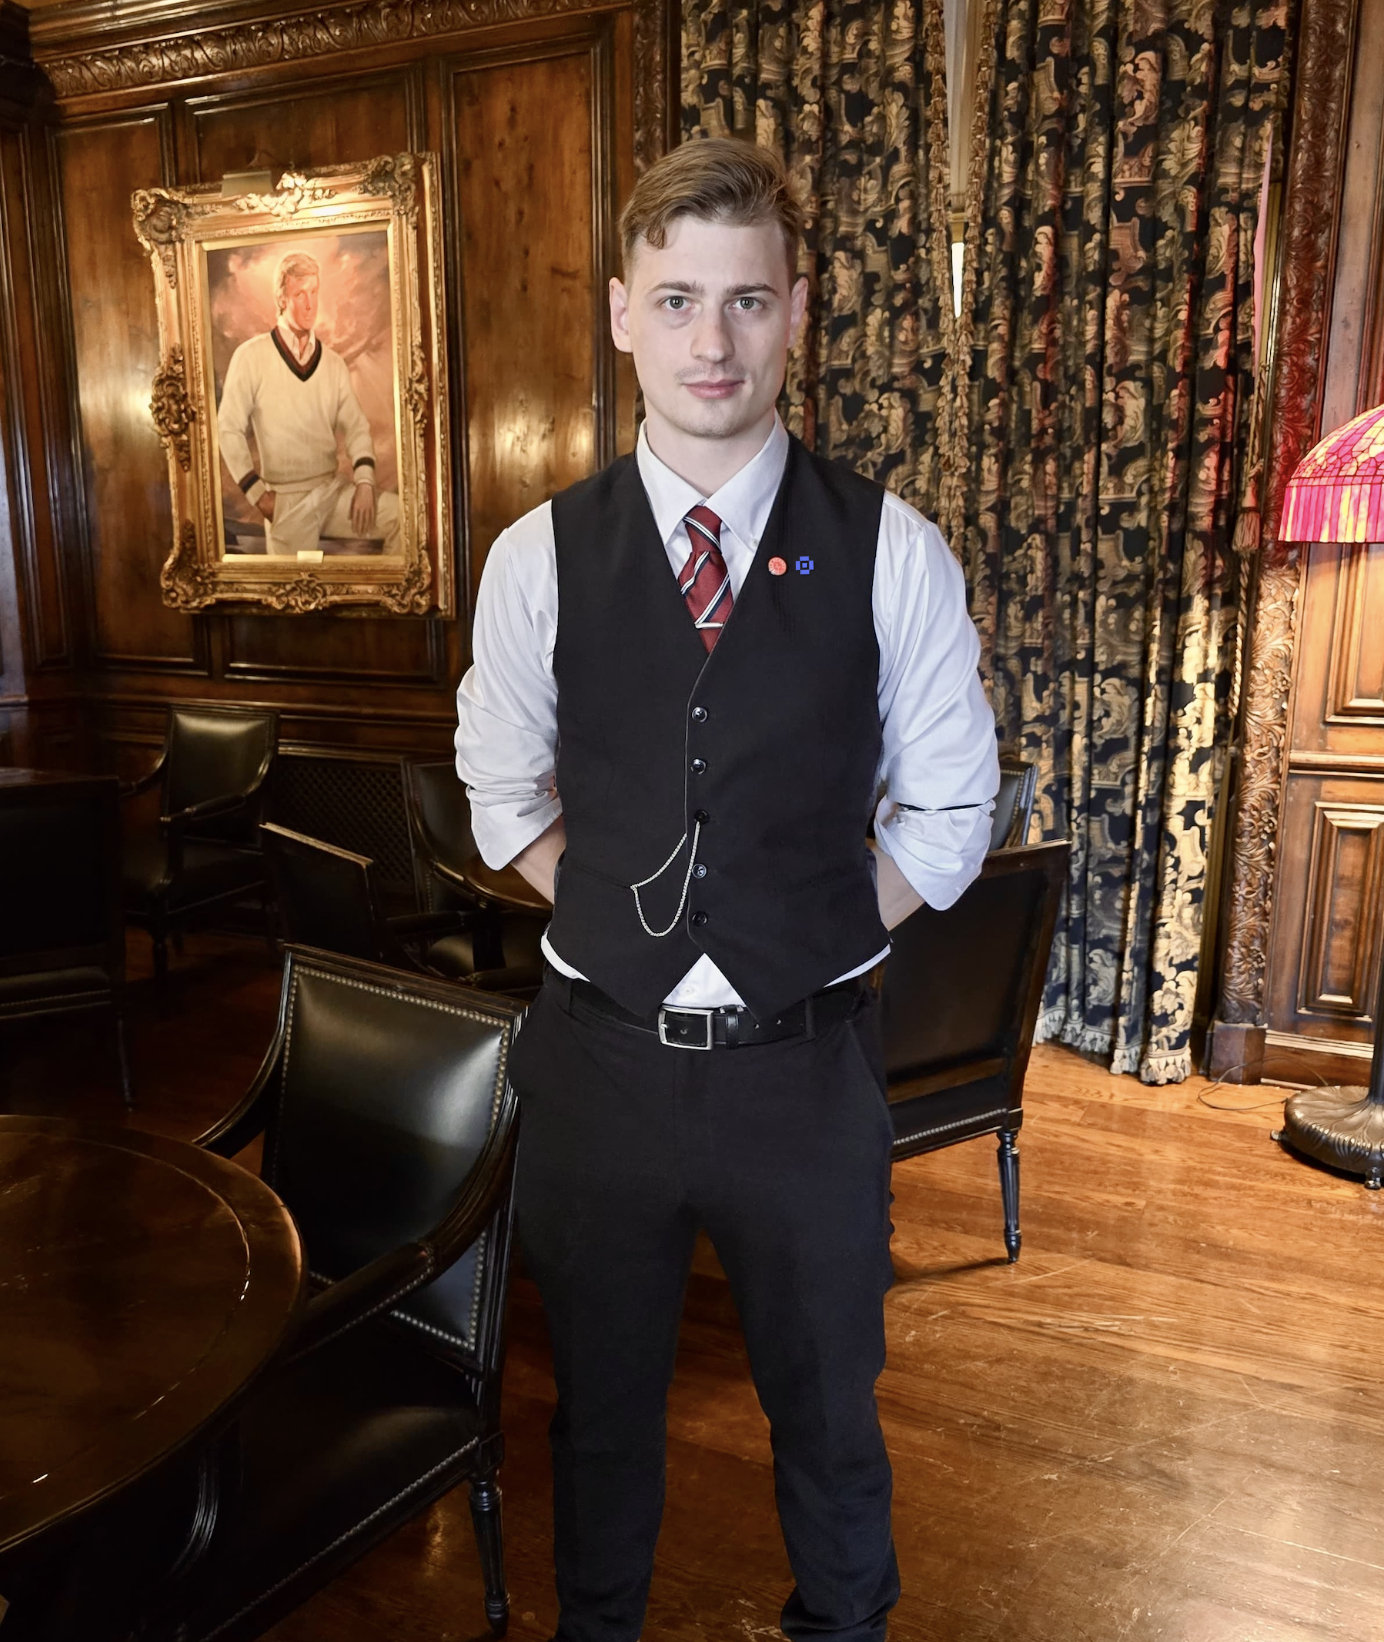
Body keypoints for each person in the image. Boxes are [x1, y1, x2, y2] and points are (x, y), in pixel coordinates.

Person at [455, 138, 999, 1642]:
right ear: (621, 313)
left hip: (804, 1076)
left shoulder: (891, 550)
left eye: (748, 300)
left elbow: (951, 812)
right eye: (678, 299)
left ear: (797, 311)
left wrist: (808, 928)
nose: (713, 340)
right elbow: (500, 795)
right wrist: (620, 916)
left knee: (828, 1411)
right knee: (598, 1413)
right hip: (598, 1072)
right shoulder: (535, 558)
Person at [215, 250, 400, 556]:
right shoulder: (251, 357)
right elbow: (228, 428)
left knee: (401, 519)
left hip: (332, 491)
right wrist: (259, 495)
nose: (310, 303)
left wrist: (365, 482)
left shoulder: (332, 363)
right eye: (300, 293)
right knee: (295, 584)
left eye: (314, 291)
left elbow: (356, 427)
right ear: (281, 298)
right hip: (286, 502)